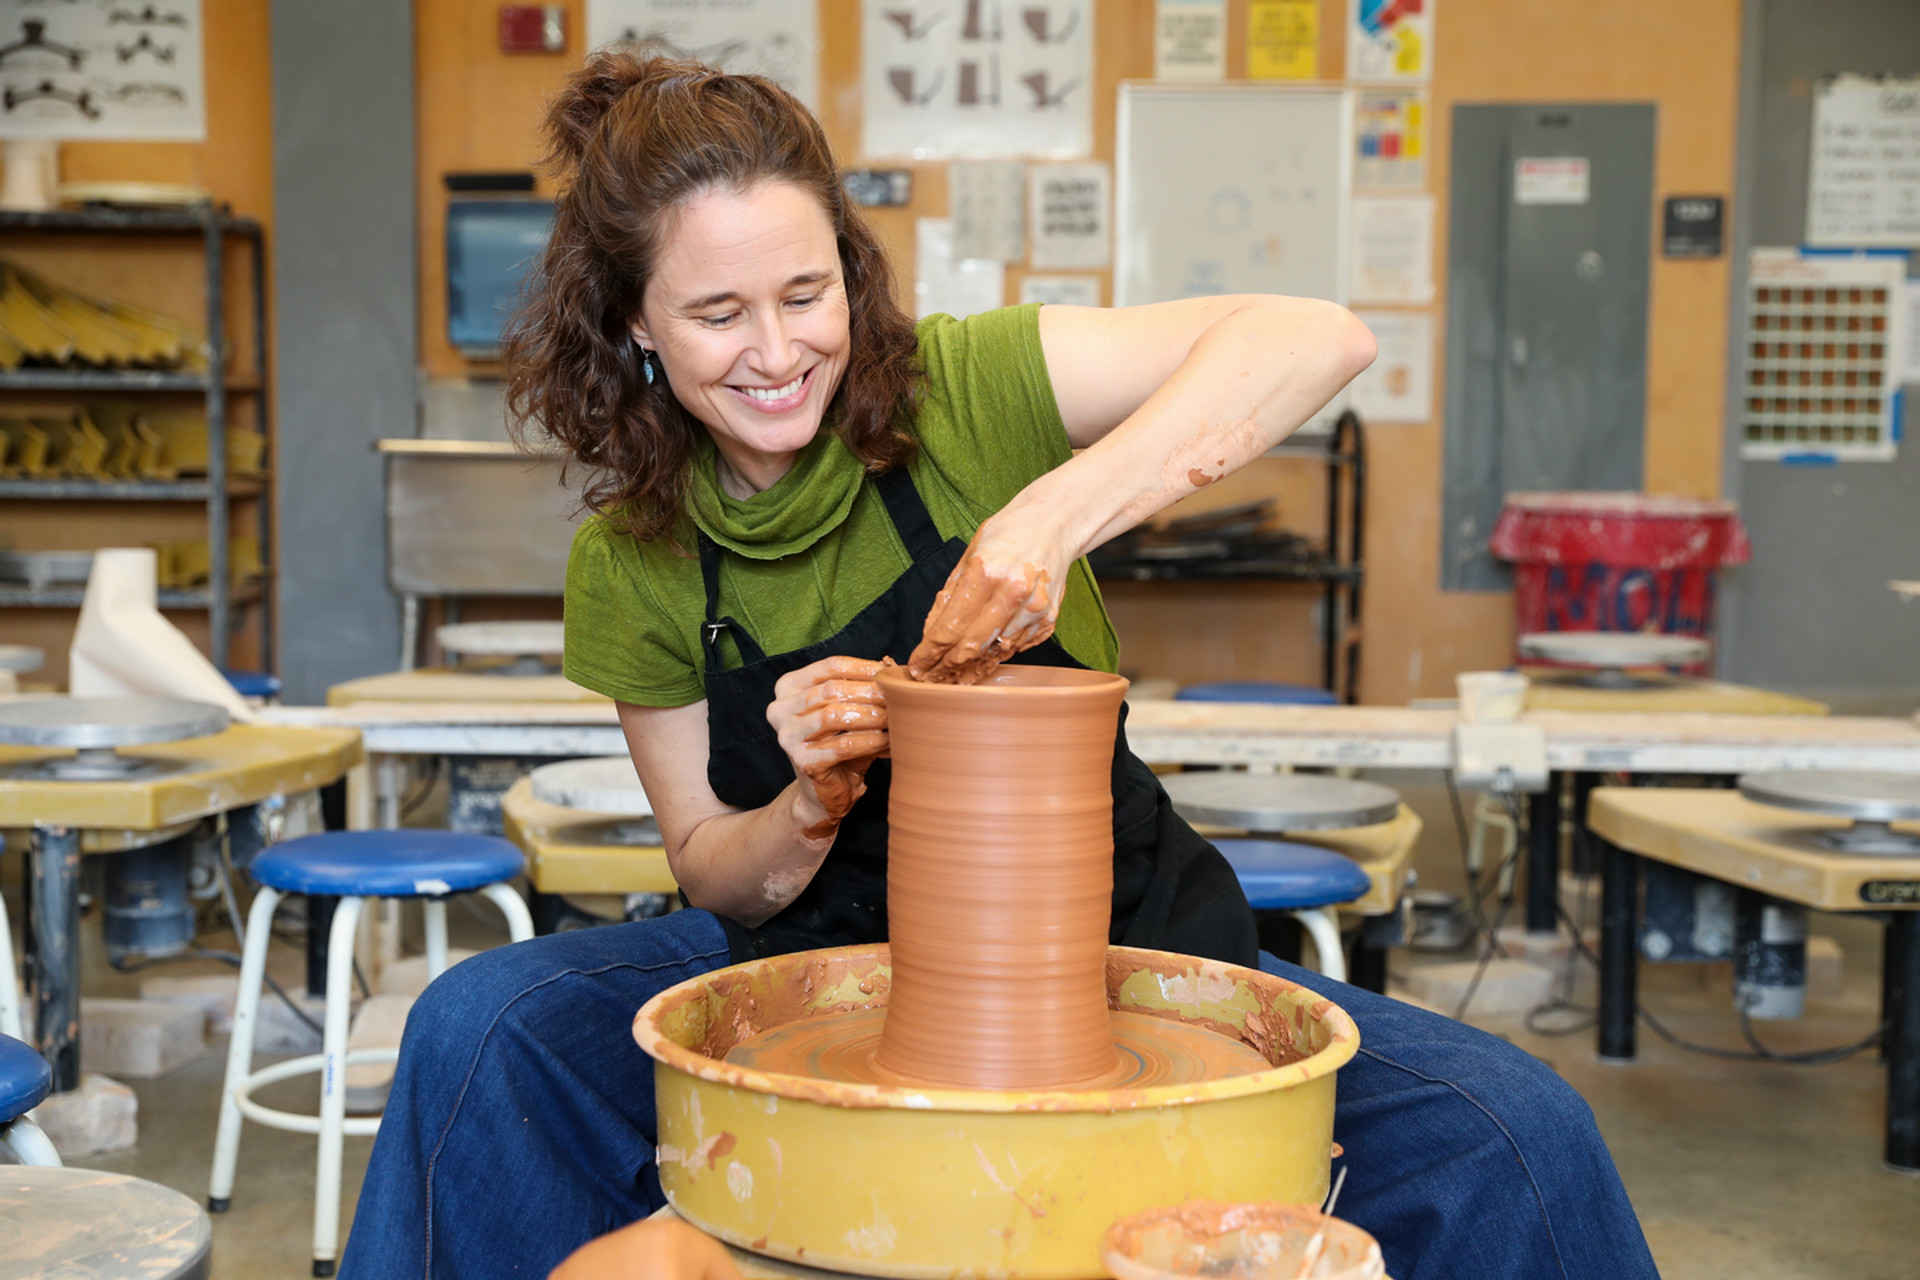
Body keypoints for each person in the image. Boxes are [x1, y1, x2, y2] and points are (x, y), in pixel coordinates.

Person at [340, 51, 1658, 1280]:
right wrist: (803, 802)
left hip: (1112, 960)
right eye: (718, 314)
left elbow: (1315, 335)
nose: (781, 349)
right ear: (634, 324)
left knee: (1518, 1132)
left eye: (808, 295)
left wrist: (1053, 515)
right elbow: (706, 862)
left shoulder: (970, 392)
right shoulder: (638, 560)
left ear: (849, 274)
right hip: (822, 972)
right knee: (480, 1029)